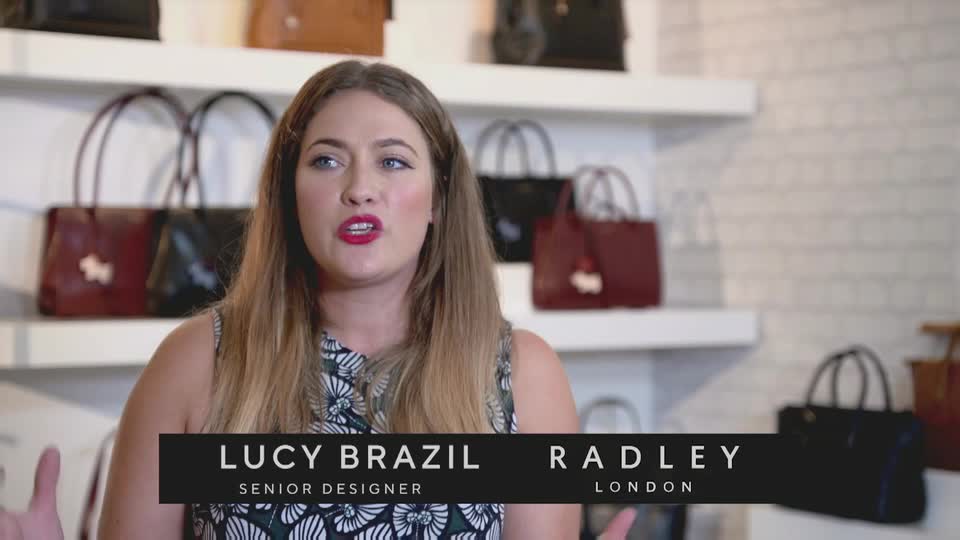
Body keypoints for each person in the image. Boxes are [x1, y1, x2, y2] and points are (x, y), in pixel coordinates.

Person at [0, 61, 637, 540]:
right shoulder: (196, 363)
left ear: (439, 199)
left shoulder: (523, 375)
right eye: (327, 161)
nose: (361, 188)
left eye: (393, 162)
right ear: (289, 192)